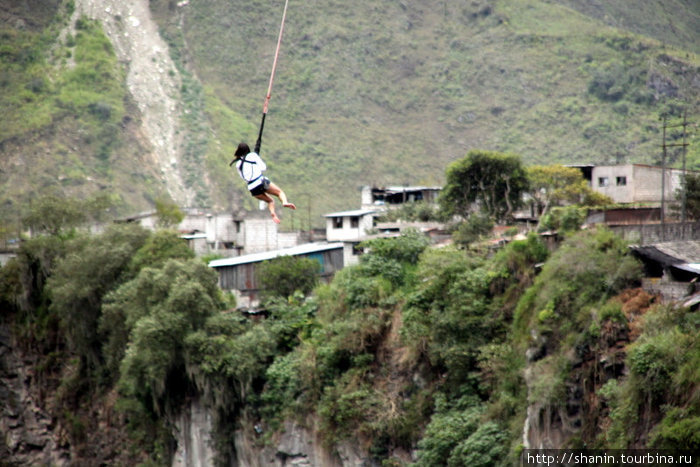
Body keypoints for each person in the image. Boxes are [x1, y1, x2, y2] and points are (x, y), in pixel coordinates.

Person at [233, 142, 295, 223]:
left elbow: (243, 177)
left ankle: (273, 213)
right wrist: (256, 160)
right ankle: (285, 202)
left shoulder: (238, 164)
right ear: (248, 149)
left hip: (252, 188)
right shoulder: (253, 155)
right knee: (280, 192)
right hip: (260, 182)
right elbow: (263, 168)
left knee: (270, 201)